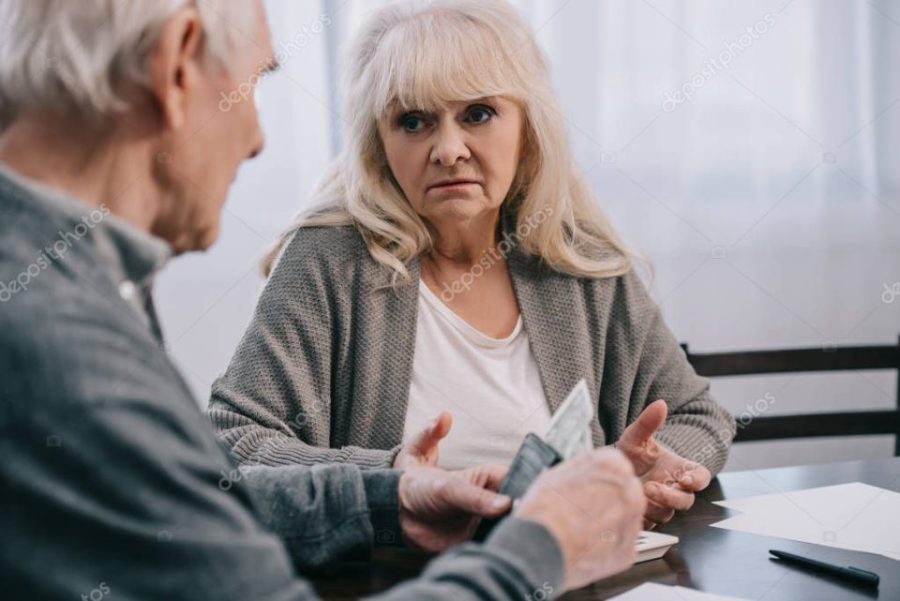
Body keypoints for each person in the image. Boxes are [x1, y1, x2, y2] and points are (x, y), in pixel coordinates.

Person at [0, 0, 647, 599]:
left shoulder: (58, 287)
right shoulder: (60, 339)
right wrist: (543, 545)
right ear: (177, 63)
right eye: (254, 84)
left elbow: (183, 506)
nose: (255, 138)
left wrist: (381, 500)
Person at [209, 0, 737, 529]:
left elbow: (696, 417)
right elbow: (232, 442)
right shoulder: (330, 259)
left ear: (527, 128)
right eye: (413, 121)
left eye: (477, 114)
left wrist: (640, 474)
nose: (448, 149)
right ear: (379, 145)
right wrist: (389, 481)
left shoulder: (578, 260)